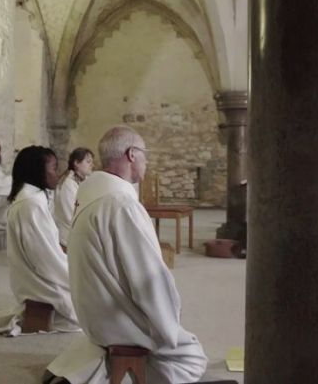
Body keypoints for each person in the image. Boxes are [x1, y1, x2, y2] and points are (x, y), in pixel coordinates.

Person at [45, 126, 207, 383]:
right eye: (145, 154)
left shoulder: (91, 192)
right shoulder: (121, 204)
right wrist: (170, 322)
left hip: (93, 315)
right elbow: (147, 277)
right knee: (191, 358)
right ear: (132, 154)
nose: (147, 160)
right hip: (115, 320)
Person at [0, 146, 79, 336]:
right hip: (41, 283)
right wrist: (77, 275)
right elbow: (46, 259)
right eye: (53, 168)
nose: (57, 174)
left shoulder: (33, 197)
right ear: (37, 171)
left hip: (38, 275)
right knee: (98, 309)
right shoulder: (31, 205)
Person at [53, 147, 94, 250]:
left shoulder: (84, 181)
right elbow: (70, 215)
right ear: (76, 163)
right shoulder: (68, 184)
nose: (92, 165)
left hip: (81, 235)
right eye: (88, 162)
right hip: (68, 238)